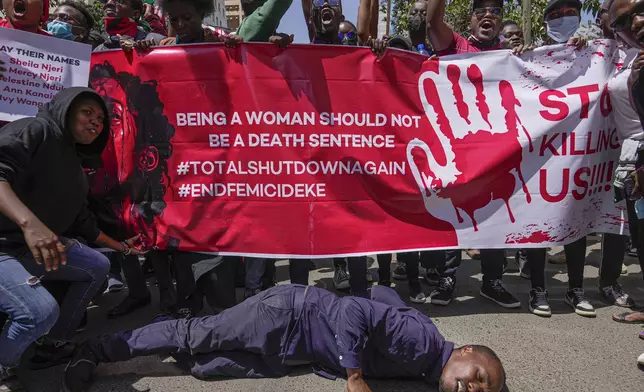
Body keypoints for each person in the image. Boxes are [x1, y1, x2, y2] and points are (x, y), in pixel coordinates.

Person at [62, 285, 506, 392]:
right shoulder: (426, 345)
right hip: (287, 316)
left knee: (203, 368)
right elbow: (354, 306)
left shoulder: (426, 366)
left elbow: (382, 295)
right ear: (468, 352)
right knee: (195, 336)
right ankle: (94, 351)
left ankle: (172, 345)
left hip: (293, 352)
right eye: (481, 376)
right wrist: (354, 376)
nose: (475, 388)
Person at [0, 87, 146, 390]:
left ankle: (55, 344)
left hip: (31, 248)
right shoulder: (34, 129)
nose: (95, 122)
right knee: (39, 312)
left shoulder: (75, 165)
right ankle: (4, 362)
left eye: (101, 120)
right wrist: (30, 224)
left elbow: (83, 222)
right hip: (5, 247)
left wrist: (121, 248)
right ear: (66, 109)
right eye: (87, 112)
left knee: (95, 265)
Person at [424, 0, 522, 309]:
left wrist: (524, 57)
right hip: (459, 150)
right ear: (470, 21)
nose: (488, 15)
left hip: (498, 151)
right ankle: (448, 276)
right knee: (457, 212)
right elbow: (432, 24)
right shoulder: (457, 46)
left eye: (495, 11)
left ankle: (492, 281)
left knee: (496, 213)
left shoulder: (511, 55)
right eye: (481, 10)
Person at [92, 0, 165, 52]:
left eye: (120, 1)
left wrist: (152, 51)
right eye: (106, 1)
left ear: (136, 14)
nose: (109, 3)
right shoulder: (98, 52)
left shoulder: (155, 42)